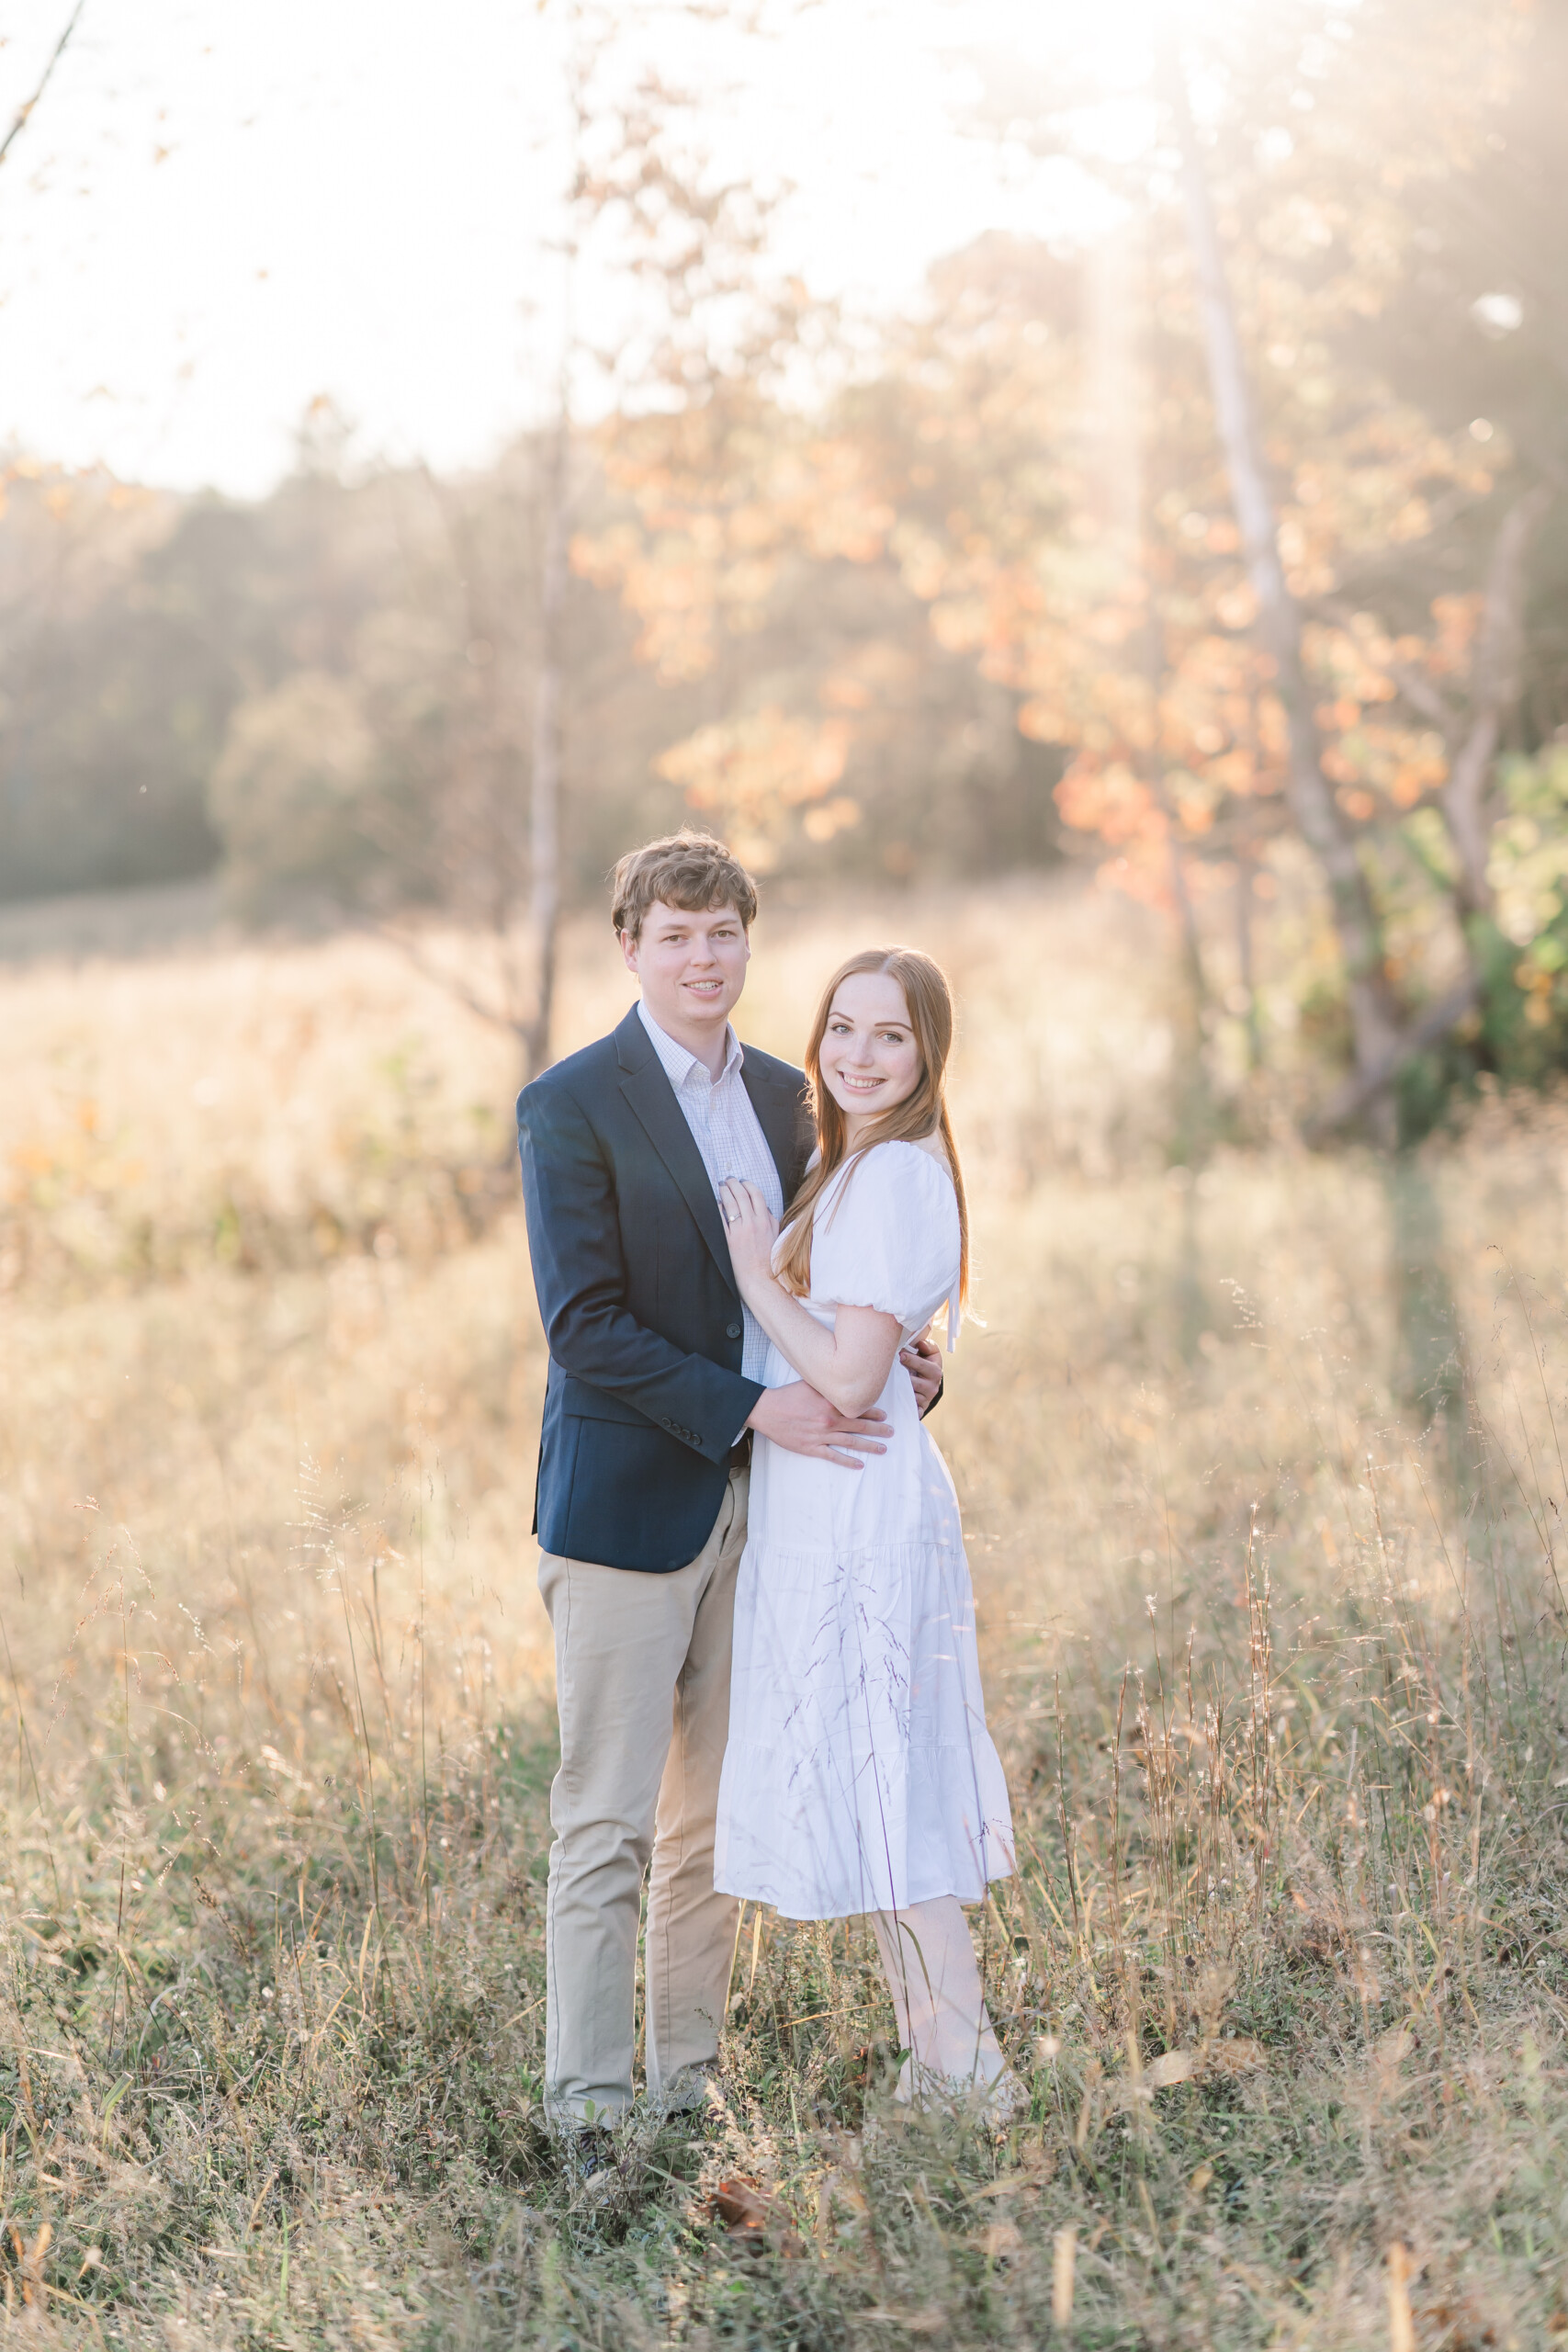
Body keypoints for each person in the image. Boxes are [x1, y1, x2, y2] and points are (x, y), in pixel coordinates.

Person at [514, 835, 944, 2153]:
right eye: (675, 936)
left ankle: (682, 2092)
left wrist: (899, 1365)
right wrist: (759, 1405)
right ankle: (587, 2114)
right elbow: (583, 1323)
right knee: (604, 1826)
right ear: (629, 948)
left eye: (723, 936)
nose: (702, 959)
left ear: (747, 946)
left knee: (706, 1823)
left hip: (765, 1512)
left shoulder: (787, 1095)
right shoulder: (571, 1102)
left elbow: (822, 1286)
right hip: (626, 1516)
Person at [714, 945, 1018, 2113]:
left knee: (894, 1795)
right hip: (838, 1501)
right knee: (875, 1788)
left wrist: (755, 1275)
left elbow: (843, 1377)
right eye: (843, 1027)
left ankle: (969, 2072)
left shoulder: (891, 1176)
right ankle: (935, 2061)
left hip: (863, 1508)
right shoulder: (857, 1164)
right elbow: (878, 1356)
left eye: (889, 1035)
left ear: (928, 1050)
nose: (858, 1053)